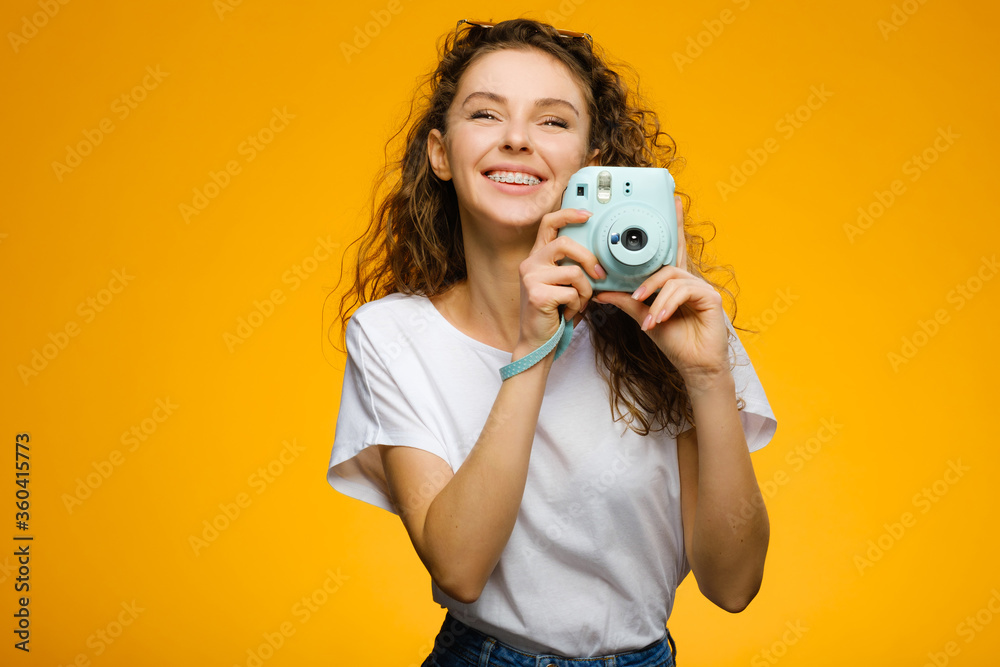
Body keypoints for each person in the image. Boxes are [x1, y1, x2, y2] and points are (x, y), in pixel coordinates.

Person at [327, 17, 777, 667]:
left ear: (591, 166)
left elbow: (734, 585)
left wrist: (708, 375)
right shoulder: (392, 333)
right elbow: (460, 568)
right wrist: (533, 344)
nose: (516, 139)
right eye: (486, 114)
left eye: (553, 121)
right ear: (440, 153)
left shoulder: (670, 317)